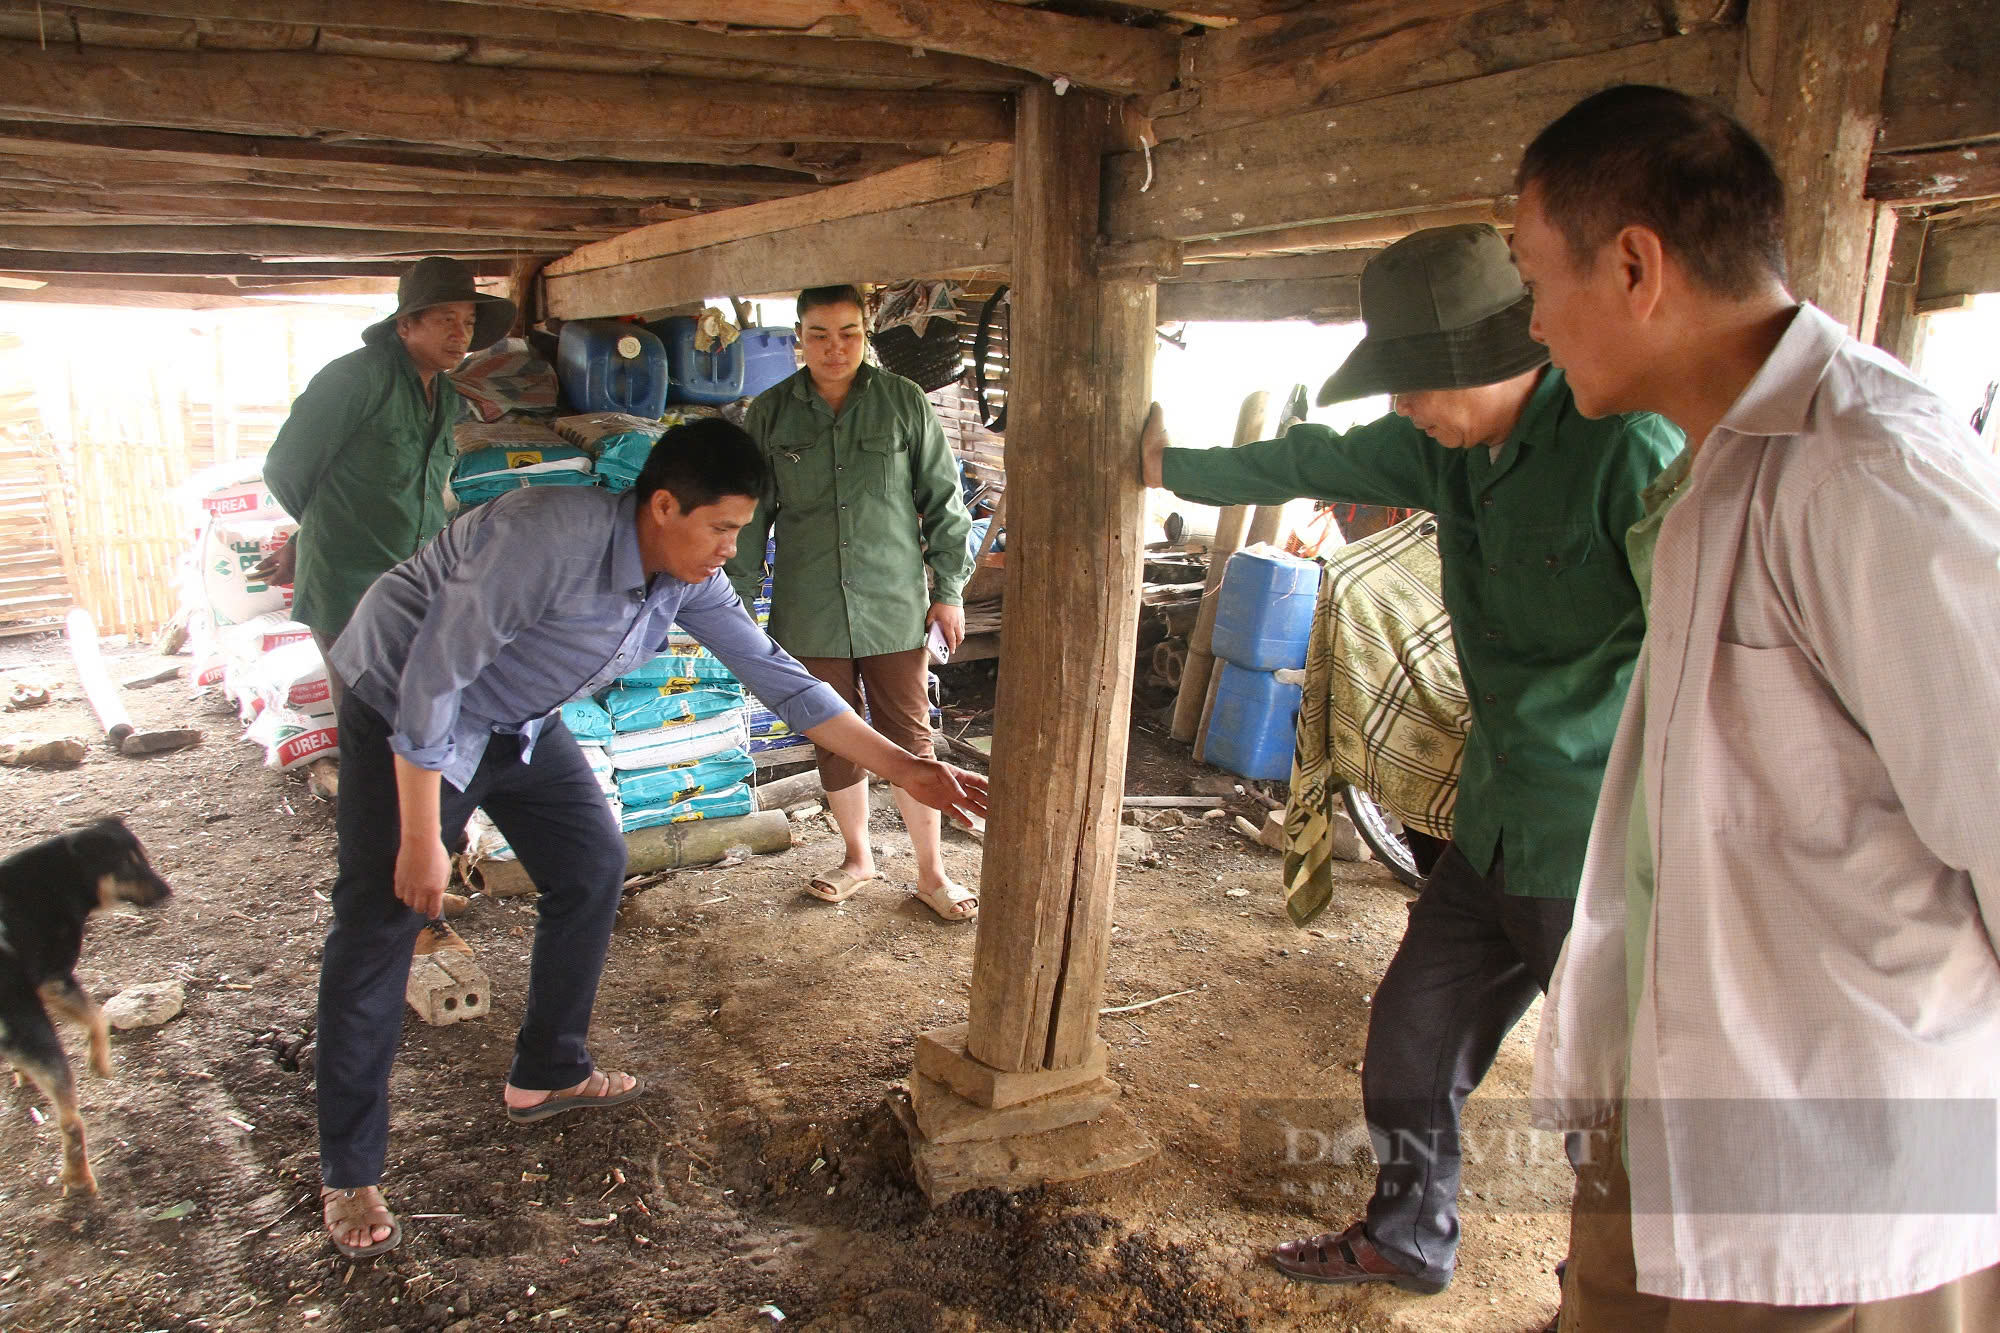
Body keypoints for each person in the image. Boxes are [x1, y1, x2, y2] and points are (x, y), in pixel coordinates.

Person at [1512, 85, 2000, 1330]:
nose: (1529, 321)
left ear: (1633, 266)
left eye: (1532, 277)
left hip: (1841, 1164)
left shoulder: (1868, 476)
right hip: (1679, 1107)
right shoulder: (1717, 470)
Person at [1140, 224, 1682, 1300]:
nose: (1398, 407)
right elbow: (1304, 455)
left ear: (1494, 360)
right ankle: (1407, 1235)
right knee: (1410, 1034)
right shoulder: (1440, 447)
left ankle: (1609, 1295)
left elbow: (1702, 641)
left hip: (1601, 840)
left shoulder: (1630, 448)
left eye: (1411, 383)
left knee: (1611, 1097)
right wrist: (1166, 466)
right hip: (1486, 824)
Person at [313, 419, 988, 1258]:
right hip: (404, 706)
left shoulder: (687, 578)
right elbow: (433, 678)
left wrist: (905, 766)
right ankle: (349, 1167)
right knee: (381, 924)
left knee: (592, 863)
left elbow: (780, 678)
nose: (729, 549)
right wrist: (422, 837)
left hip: (514, 715)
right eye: (722, 529)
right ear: (663, 505)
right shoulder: (542, 538)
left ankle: (547, 1070)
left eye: (739, 531)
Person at [727, 285, 978, 922]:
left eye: (847, 333)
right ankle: (858, 858)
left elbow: (945, 505)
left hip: (893, 604)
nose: (834, 348)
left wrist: (947, 592)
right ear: (797, 340)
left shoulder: (903, 403)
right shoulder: (772, 414)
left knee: (910, 738)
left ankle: (932, 872)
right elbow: (751, 520)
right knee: (835, 737)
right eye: (819, 334)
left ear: (866, 335)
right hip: (808, 607)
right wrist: (731, 608)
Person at [261, 256, 514, 705]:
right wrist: (322, 531)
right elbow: (286, 468)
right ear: (405, 326)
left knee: (410, 713)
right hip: (348, 587)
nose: (461, 335)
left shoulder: (446, 393)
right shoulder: (354, 379)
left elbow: (398, 488)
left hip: (415, 582)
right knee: (363, 717)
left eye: (469, 322)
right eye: (446, 320)